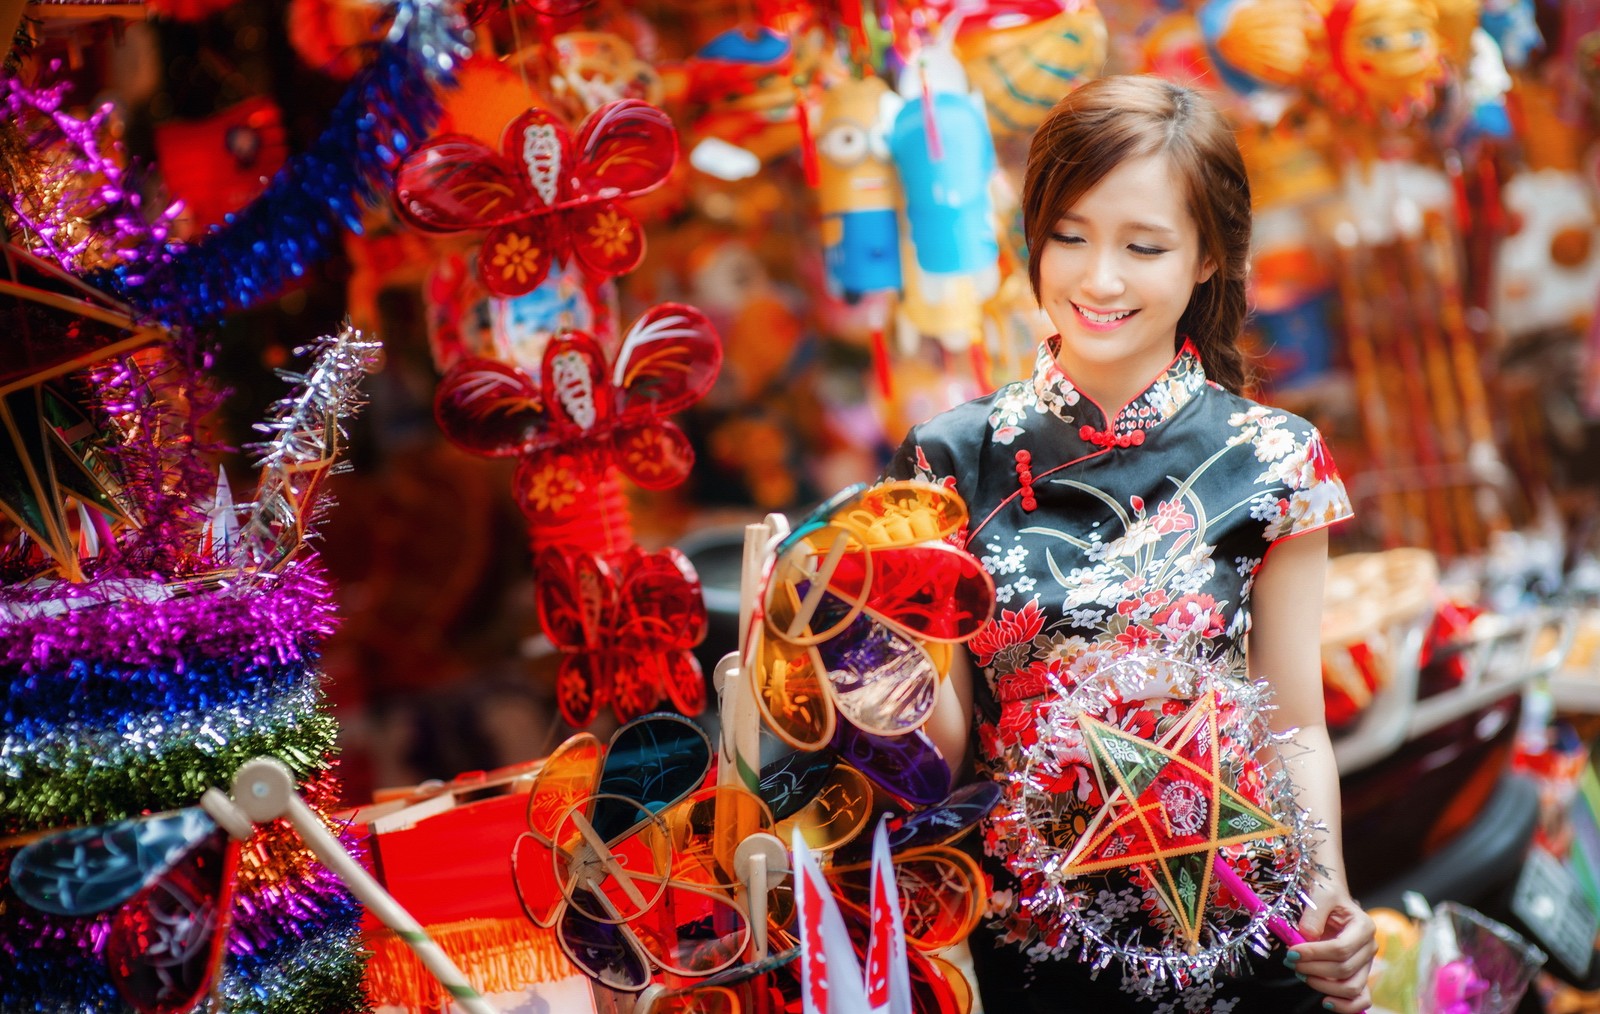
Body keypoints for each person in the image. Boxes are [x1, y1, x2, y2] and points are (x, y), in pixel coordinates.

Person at [883, 75, 1377, 1013]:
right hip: (1034, 956)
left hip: (1236, 934)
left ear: (1205, 262)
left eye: (1143, 246)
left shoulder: (1274, 457)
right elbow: (946, 757)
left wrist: (1326, 890)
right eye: (1069, 236)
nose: (1097, 279)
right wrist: (863, 662)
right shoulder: (945, 460)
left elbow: (1294, 724)